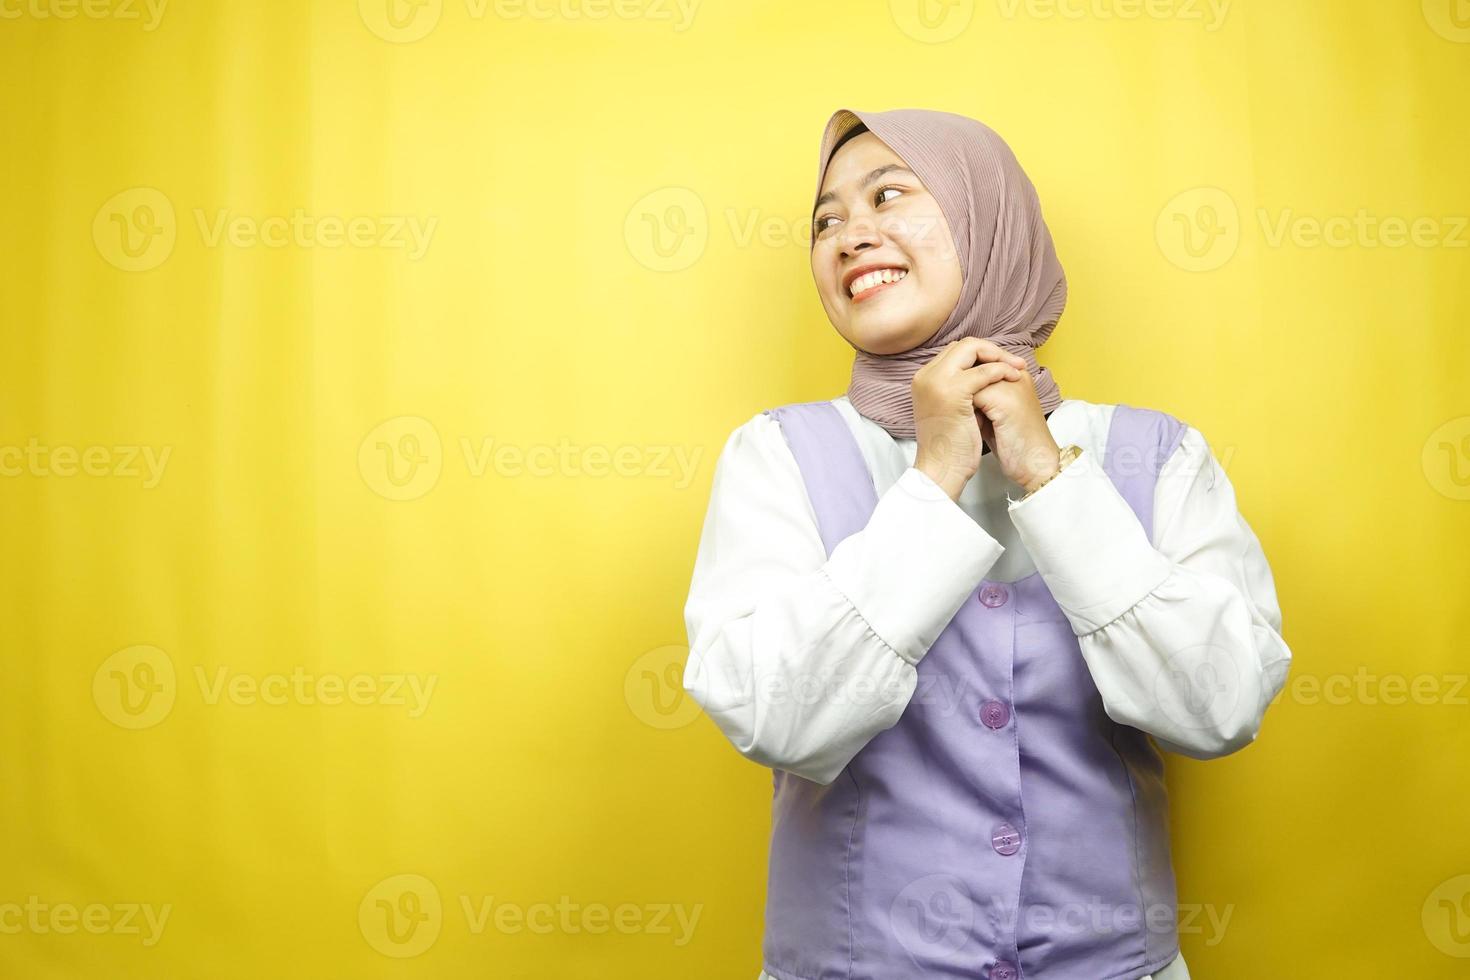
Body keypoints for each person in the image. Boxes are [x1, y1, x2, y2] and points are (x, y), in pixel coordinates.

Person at [681, 107, 1292, 980]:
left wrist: (1051, 478)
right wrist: (932, 477)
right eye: (825, 221)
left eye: (888, 194)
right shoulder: (777, 454)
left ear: (988, 217)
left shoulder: (1157, 456)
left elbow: (1218, 709)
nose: (850, 236)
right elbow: (778, 719)